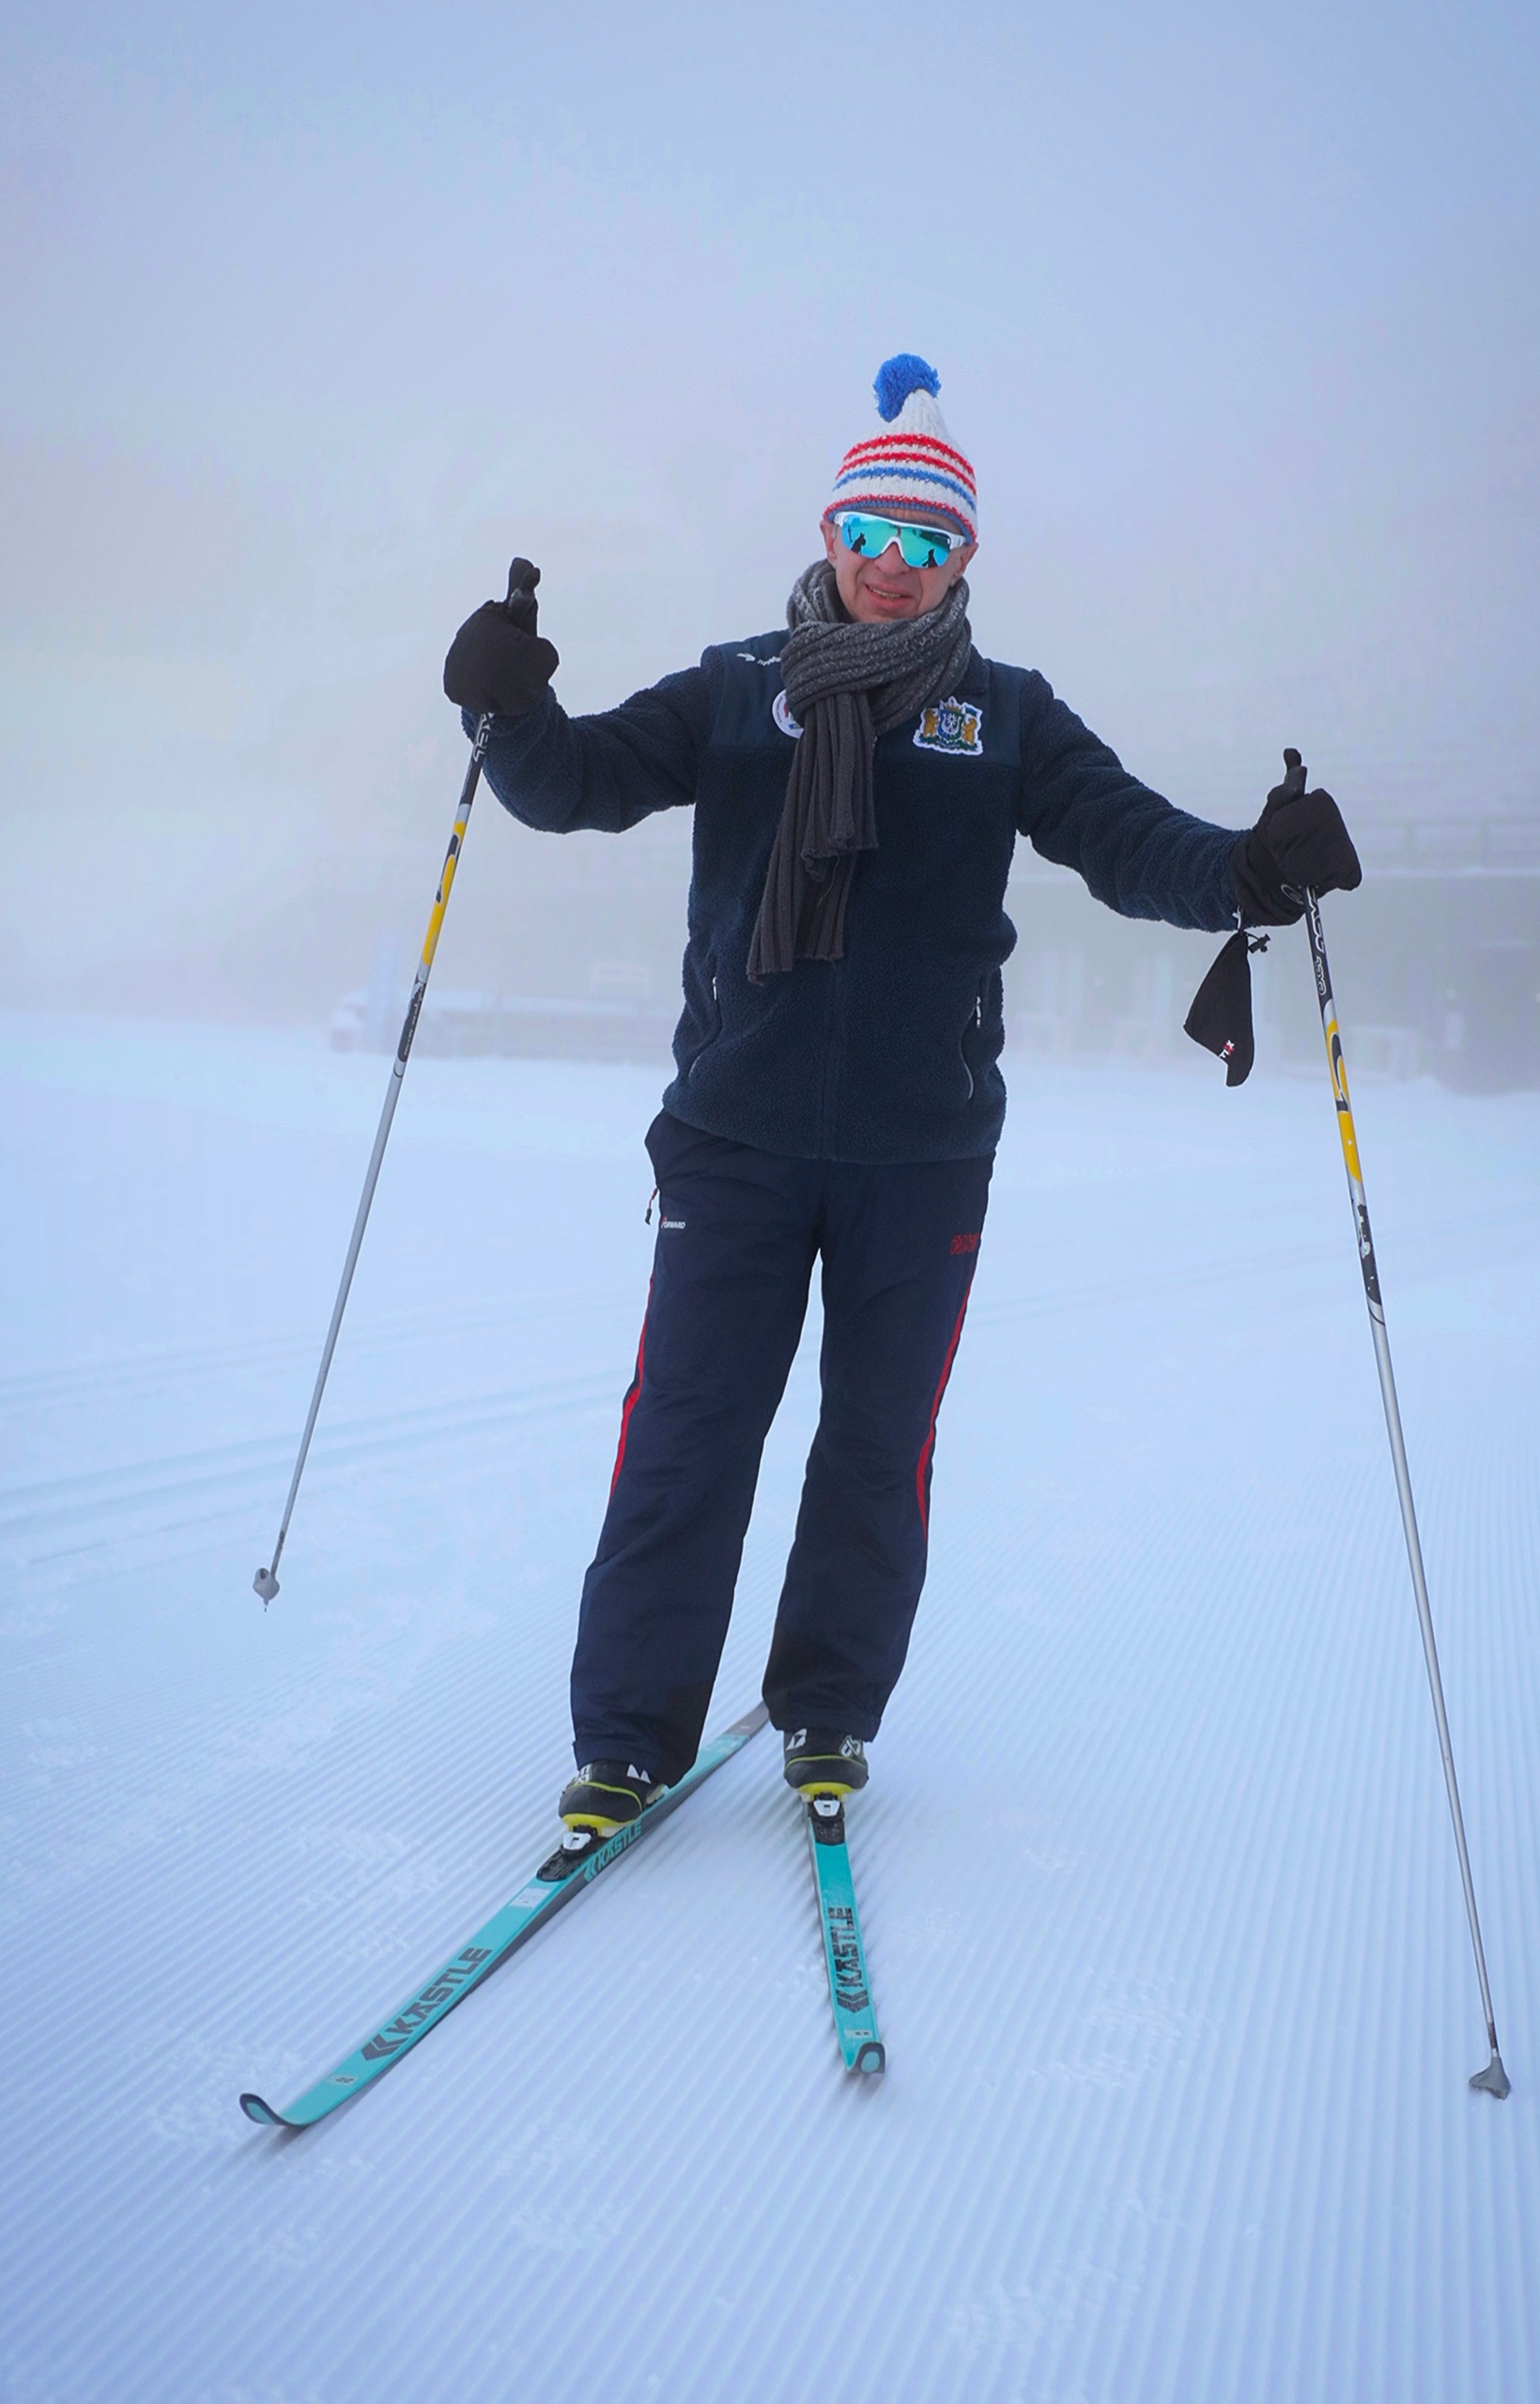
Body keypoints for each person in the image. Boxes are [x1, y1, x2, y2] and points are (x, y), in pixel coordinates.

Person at [442, 355, 1360, 1857]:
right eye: (871, 533)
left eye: (927, 544)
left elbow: (1129, 843)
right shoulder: (737, 692)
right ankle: (625, 1741)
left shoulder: (1003, 716)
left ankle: (826, 1713)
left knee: (877, 1442)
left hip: (921, 1153)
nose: (892, 565)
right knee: (685, 1435)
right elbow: (576, 783)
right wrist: (508, 703)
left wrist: (1250, 869)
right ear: (829, 533)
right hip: (733, 1139)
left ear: (963, 563)